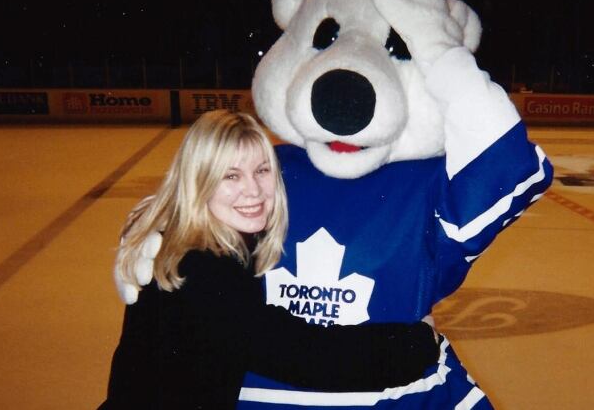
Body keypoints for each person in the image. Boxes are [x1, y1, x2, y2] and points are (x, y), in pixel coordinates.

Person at [99, 110, 438, 410]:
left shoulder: (197, 239)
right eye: (230, 176)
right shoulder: (202, 268)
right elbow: (306, 356)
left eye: (261, 171)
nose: (253, 190)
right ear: (198, 183)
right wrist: (417, 343)